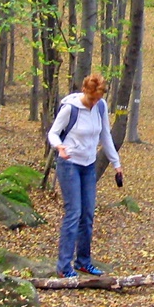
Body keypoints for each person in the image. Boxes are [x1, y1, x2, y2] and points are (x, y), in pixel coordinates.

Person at [47, 74, 123, 278]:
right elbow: (53, 133)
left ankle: (83, 262)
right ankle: (64, 266)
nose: (94, 102)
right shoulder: (70, 108)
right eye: (91, 98)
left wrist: (116, 164)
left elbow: (105, 135)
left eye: (98, 98)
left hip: (89, 165)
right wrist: (59, 146)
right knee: (74, 213)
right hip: (69, 163)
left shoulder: (100, 107)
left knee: (87, 214)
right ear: (85, 92)